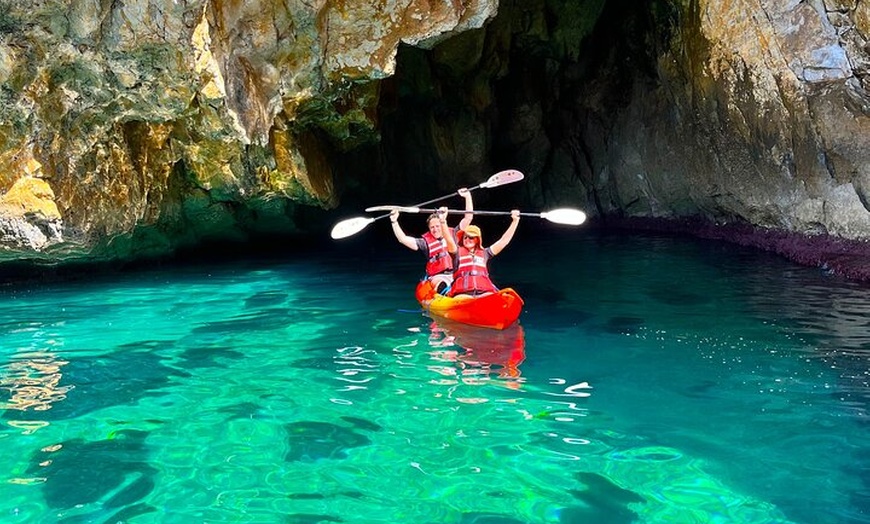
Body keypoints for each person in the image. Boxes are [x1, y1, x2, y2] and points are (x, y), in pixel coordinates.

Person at [390, 188, 474, 294]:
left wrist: (467, 196)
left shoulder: (454, 233)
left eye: (437, 226)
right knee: (441, 283)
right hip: (439, 276)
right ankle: (445, 293)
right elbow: (402, 239)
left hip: (458, 272)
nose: (435, 229)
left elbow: (468, 218)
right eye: (432, 227)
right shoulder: (425, 243)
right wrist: (394, 221)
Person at [442, 209, 520, 297]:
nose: (467, 240)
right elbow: (448, 239)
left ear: (477, 240)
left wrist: (515, 221)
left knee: (491, 297)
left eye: (471, 237)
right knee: (464, 298)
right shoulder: (456, 253)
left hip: (483, 292)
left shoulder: (485, 253)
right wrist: (443, 221)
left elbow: (503, 241)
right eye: (465, 237)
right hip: (463, 294)